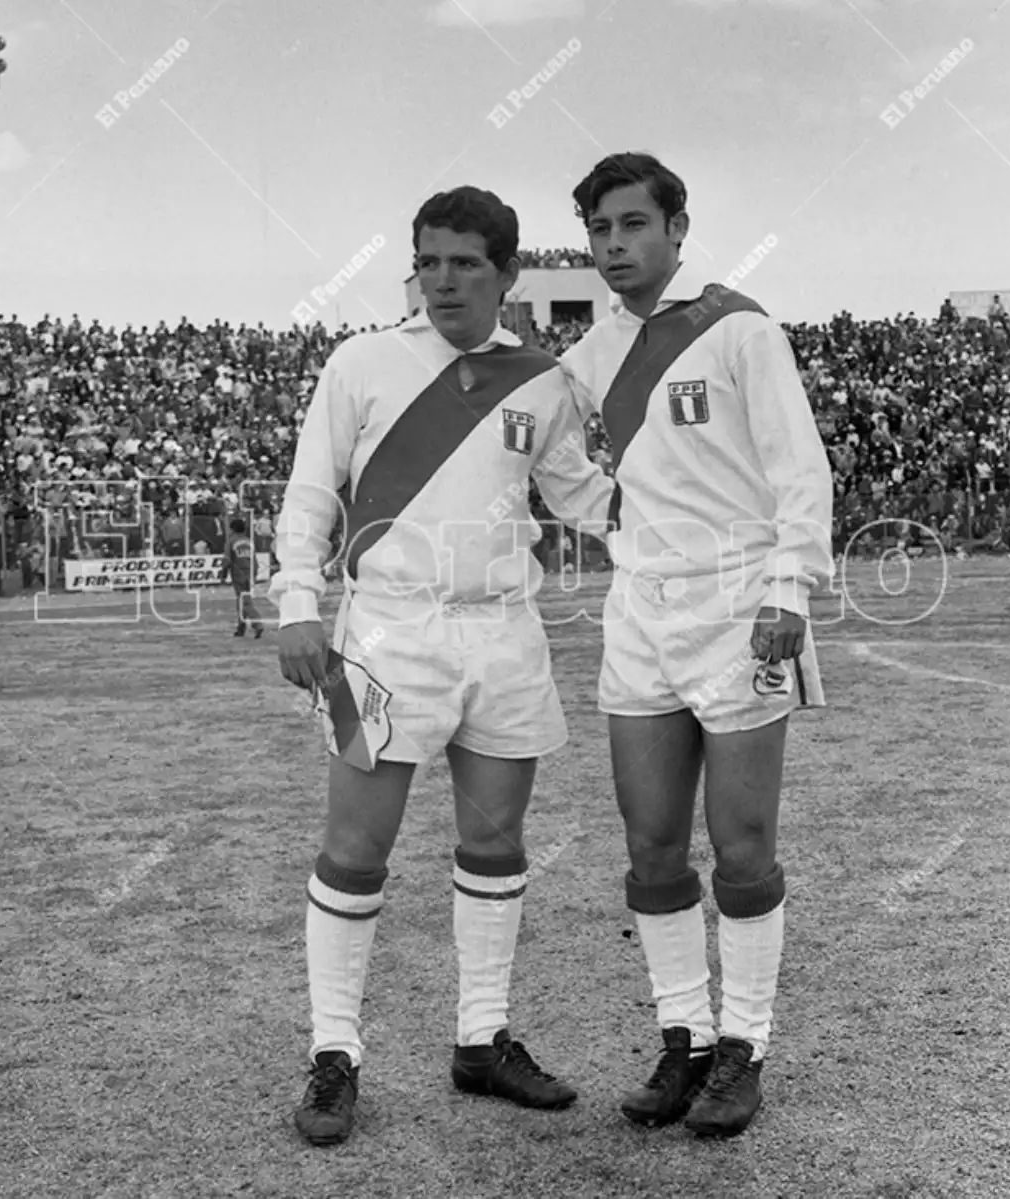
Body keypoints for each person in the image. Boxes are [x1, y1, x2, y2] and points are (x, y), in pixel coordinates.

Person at [270, 186, 614, 1147]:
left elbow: (585, 497)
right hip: (380, 633)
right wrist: (298, 605)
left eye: (467, 262)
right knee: (354, 849)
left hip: (504, 634)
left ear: (509, 274)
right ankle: (334, 1053)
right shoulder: (364, 361)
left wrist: (701, 501)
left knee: (497, 843)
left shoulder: (543, 381)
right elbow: (309, 493)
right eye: (430, 260)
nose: (444, 279)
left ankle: (482, 1039)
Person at [558, 152, 835, 1139]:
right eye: (601, 230)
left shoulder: (740, 330)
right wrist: (602, 510)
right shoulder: (586, 359)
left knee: (745, 848)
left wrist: (789, 586)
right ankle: (686, 1037)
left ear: (677, 227)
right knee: (652, 847)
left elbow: (799, 466)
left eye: (634, 224)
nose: (617, 246)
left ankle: (745, 1048)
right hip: (640, 610)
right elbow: (544, 456)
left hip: (739, 605)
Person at [225, 517, 264, 639]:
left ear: (232, 529)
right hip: (250, 574)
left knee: (245, 602)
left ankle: (257, 625)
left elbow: (227, 559)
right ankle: (241, 628)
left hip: (238, 575)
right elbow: (255, 560)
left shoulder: (231, 541)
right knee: (242, 602)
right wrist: (255, 575)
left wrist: (222, 573)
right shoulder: (249, 541)